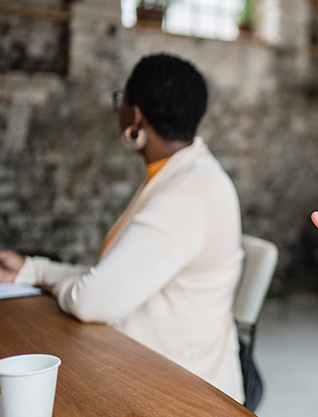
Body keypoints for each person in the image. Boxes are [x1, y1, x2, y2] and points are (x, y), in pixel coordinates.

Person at [0, 53, 245, 402]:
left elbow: (92, 300)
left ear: (136, 114)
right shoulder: (182, 174)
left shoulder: (188, 194)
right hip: (148, 367)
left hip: (181, 395)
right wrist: (31, 269)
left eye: (122, 100)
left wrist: (40, 274)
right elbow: (114, 279)